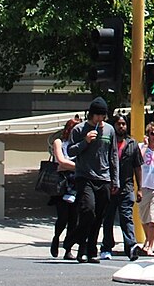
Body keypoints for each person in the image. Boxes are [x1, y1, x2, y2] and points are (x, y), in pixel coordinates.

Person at [65, 96, 119, 263]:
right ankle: (78, 244)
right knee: (88, 211)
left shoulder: (109, 130)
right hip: (85, 176)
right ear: (91, 115)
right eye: (97, 115)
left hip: (104, 178)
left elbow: (114, 155)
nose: (100, 119)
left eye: (103, 116)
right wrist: (85, 141)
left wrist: (115, 180)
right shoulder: (80, 129)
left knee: (98, 217)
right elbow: (71, 151)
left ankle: (90, 250)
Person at [100, 114, 143, 261]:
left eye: (124, 124)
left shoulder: (132, 144)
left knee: (127, 218)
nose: (121, 126)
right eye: (118, 124)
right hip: (109, 186)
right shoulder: (107, 142)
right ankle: (106, 247)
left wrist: (140, 188)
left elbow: (138, 167)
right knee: (108, 218)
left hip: (126, 187)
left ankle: (131, 247)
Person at [48, 115, 79, 260]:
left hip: (77, 184)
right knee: (63, 217)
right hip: (62, 185)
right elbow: (61, 161)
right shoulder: (59, 142)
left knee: (74, 218)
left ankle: (68, 248)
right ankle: (56, 237)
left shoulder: (81, 145)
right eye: (73, 129)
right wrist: (81, 167)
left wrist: (73, 168)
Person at [137, 121, 154, 256]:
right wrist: (146, 146)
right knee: (144, 218)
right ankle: (147, 240)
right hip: (143, 187)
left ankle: (150, 246)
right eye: (152, 133)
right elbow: (137, 161)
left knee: (153, 219)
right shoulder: (141, 147)